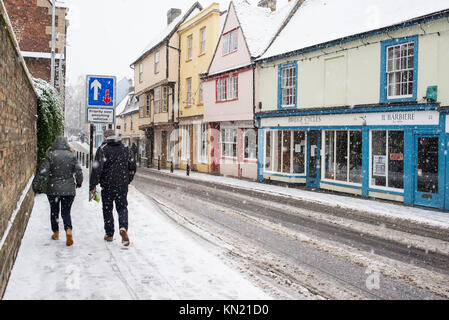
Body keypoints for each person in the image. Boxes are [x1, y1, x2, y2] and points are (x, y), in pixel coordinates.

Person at [33, 136, 83, 246]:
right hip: (69, 190)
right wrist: (79, 182)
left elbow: (43, 171)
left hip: (53, 189)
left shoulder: (50, 155)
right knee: (66, 212)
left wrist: (36, 183)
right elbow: (78, 171)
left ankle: (55, 232)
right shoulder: (71, 156)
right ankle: (68, 230)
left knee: (54, 211)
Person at [90, 130, 136, 246]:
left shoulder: (103, 150)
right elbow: (133, 167)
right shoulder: (126, 149)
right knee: (122, 207)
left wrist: (93, 185)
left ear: (105, 137)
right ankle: (123, 227)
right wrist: (127, 179)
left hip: (107, 185)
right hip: (122, 185)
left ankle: (109, 234)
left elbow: (97, 169)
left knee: (107, 209)